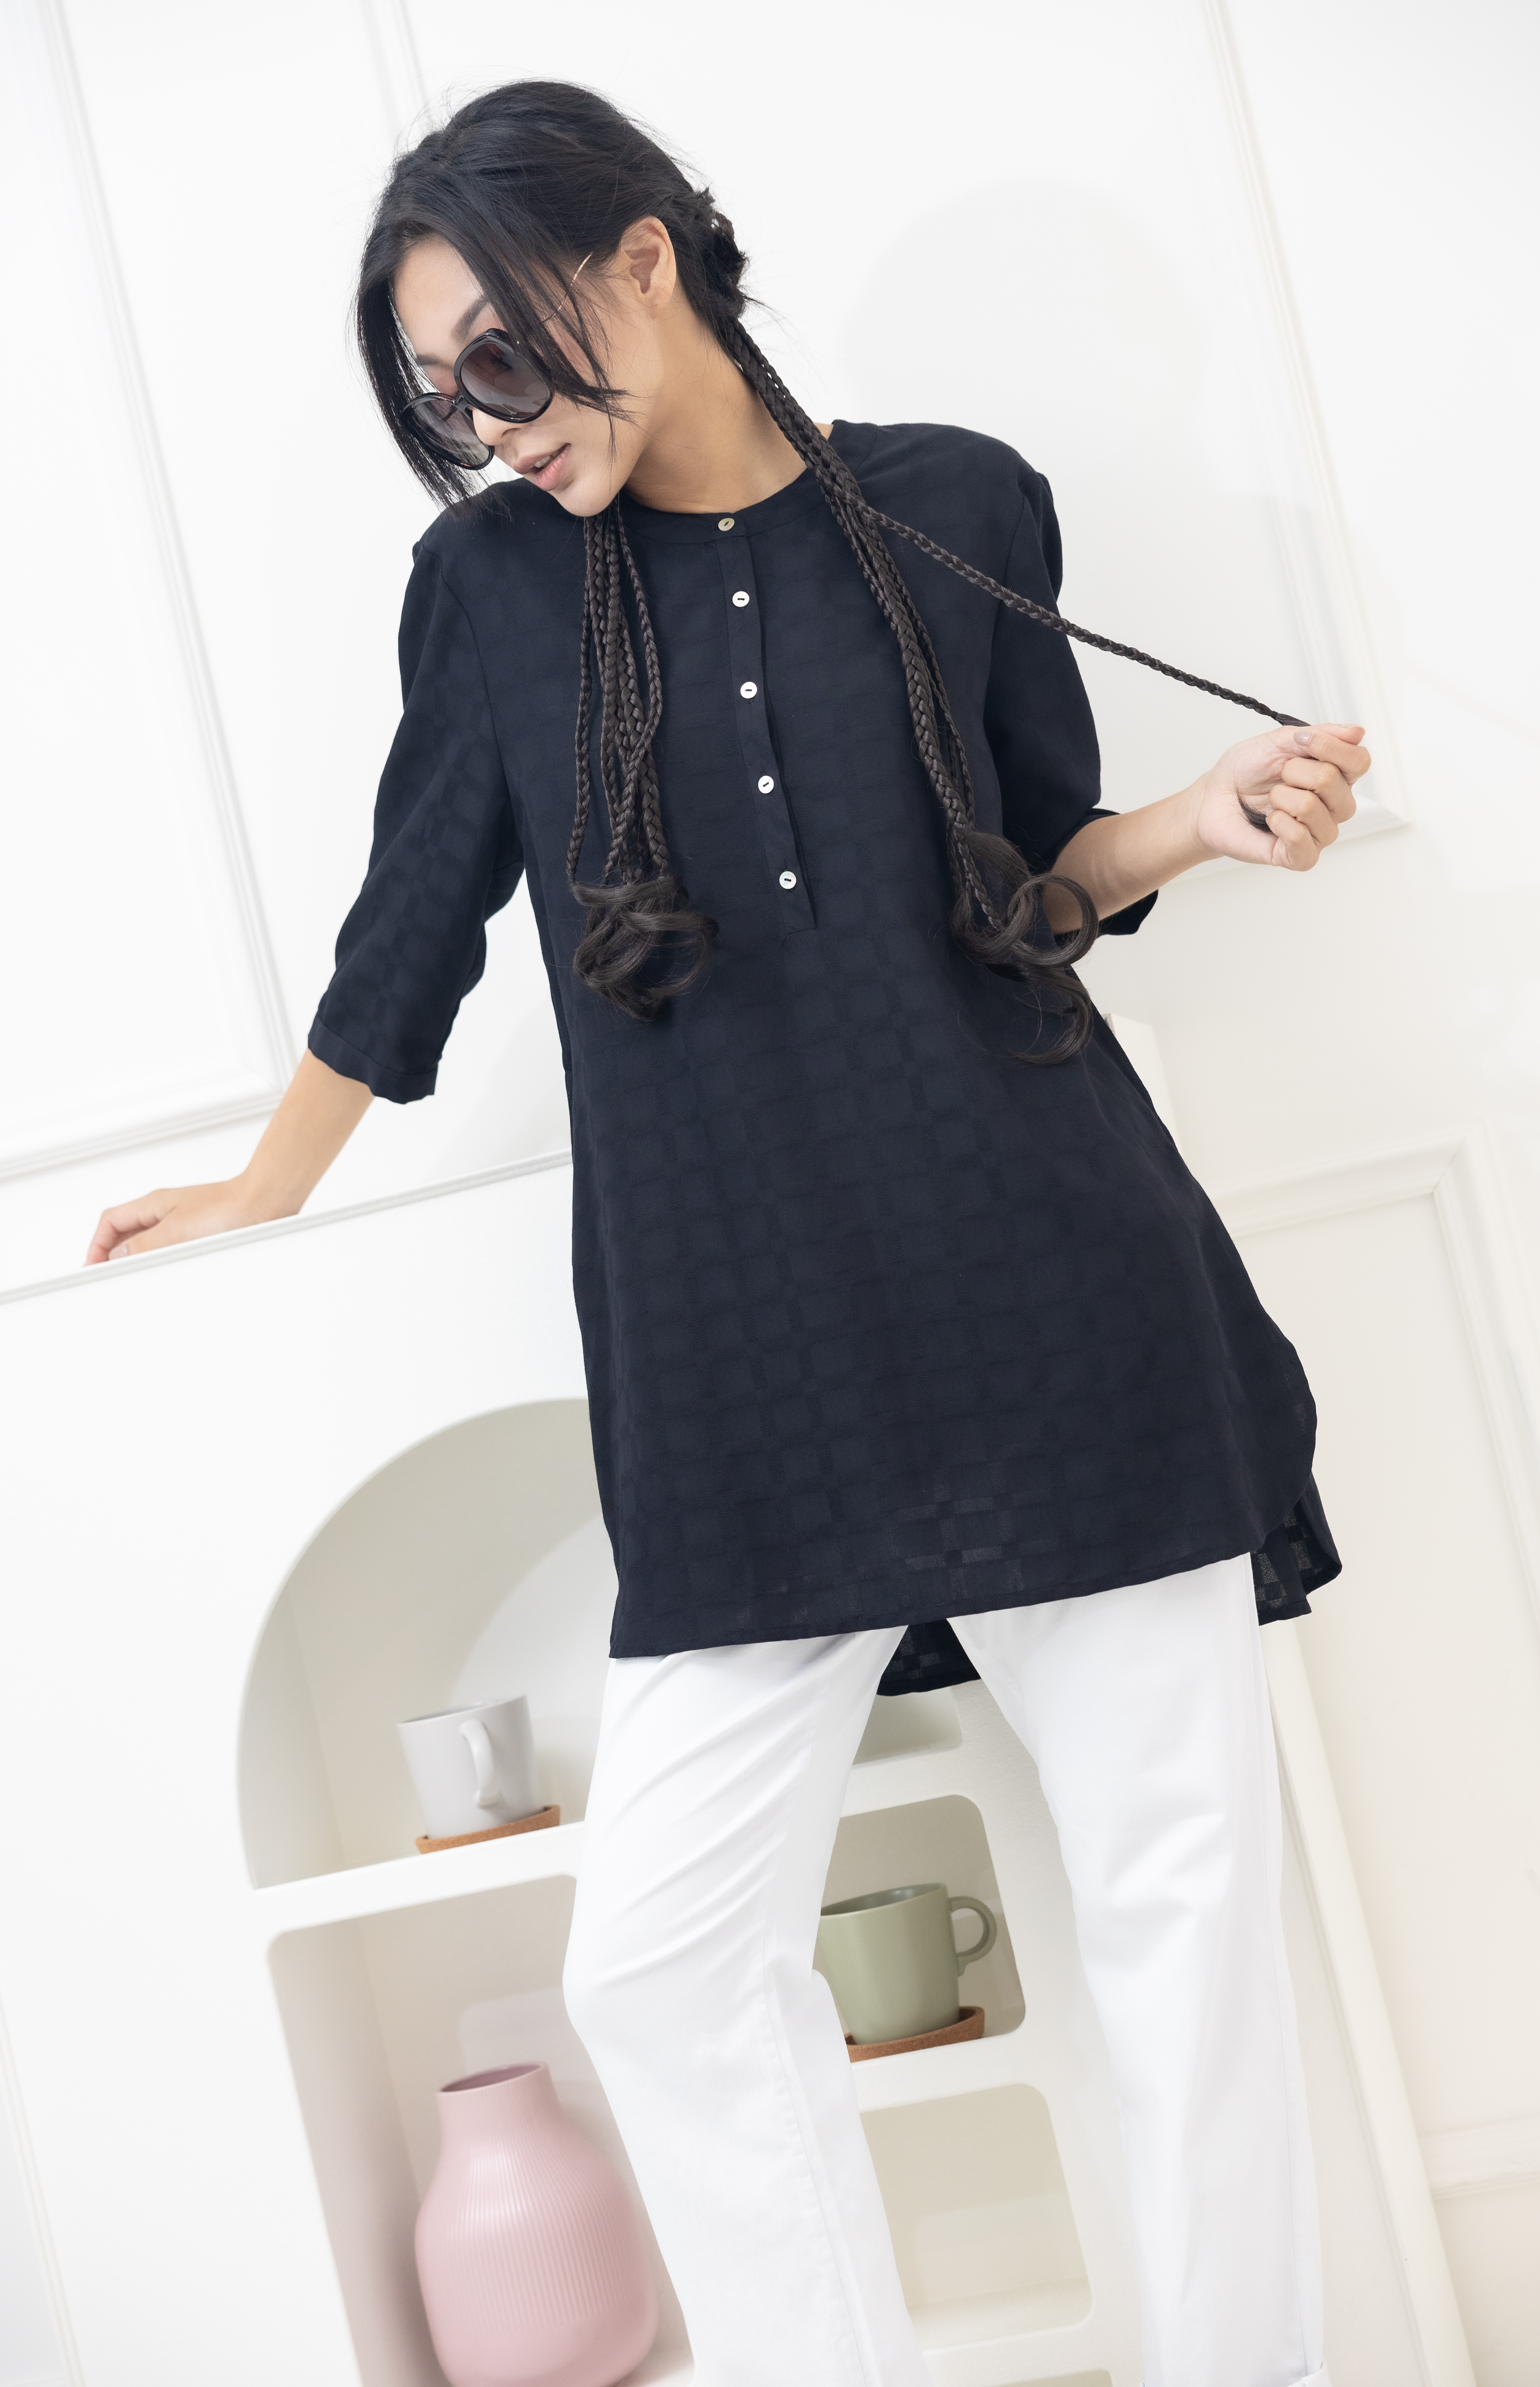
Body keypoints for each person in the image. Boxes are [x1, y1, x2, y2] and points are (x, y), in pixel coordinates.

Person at [88, 81, 1365, 2387]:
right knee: (663, 1965)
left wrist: (1204, 819)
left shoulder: (959, 504)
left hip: (1059, 1292)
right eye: (441, 394)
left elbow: (1032, 880)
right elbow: (416, 912)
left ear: (643, 259)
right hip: (741, 1358)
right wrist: (271, 1179)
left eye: (502, 355)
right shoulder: (494, 592)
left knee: (1186, 1934)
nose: (485, 423)